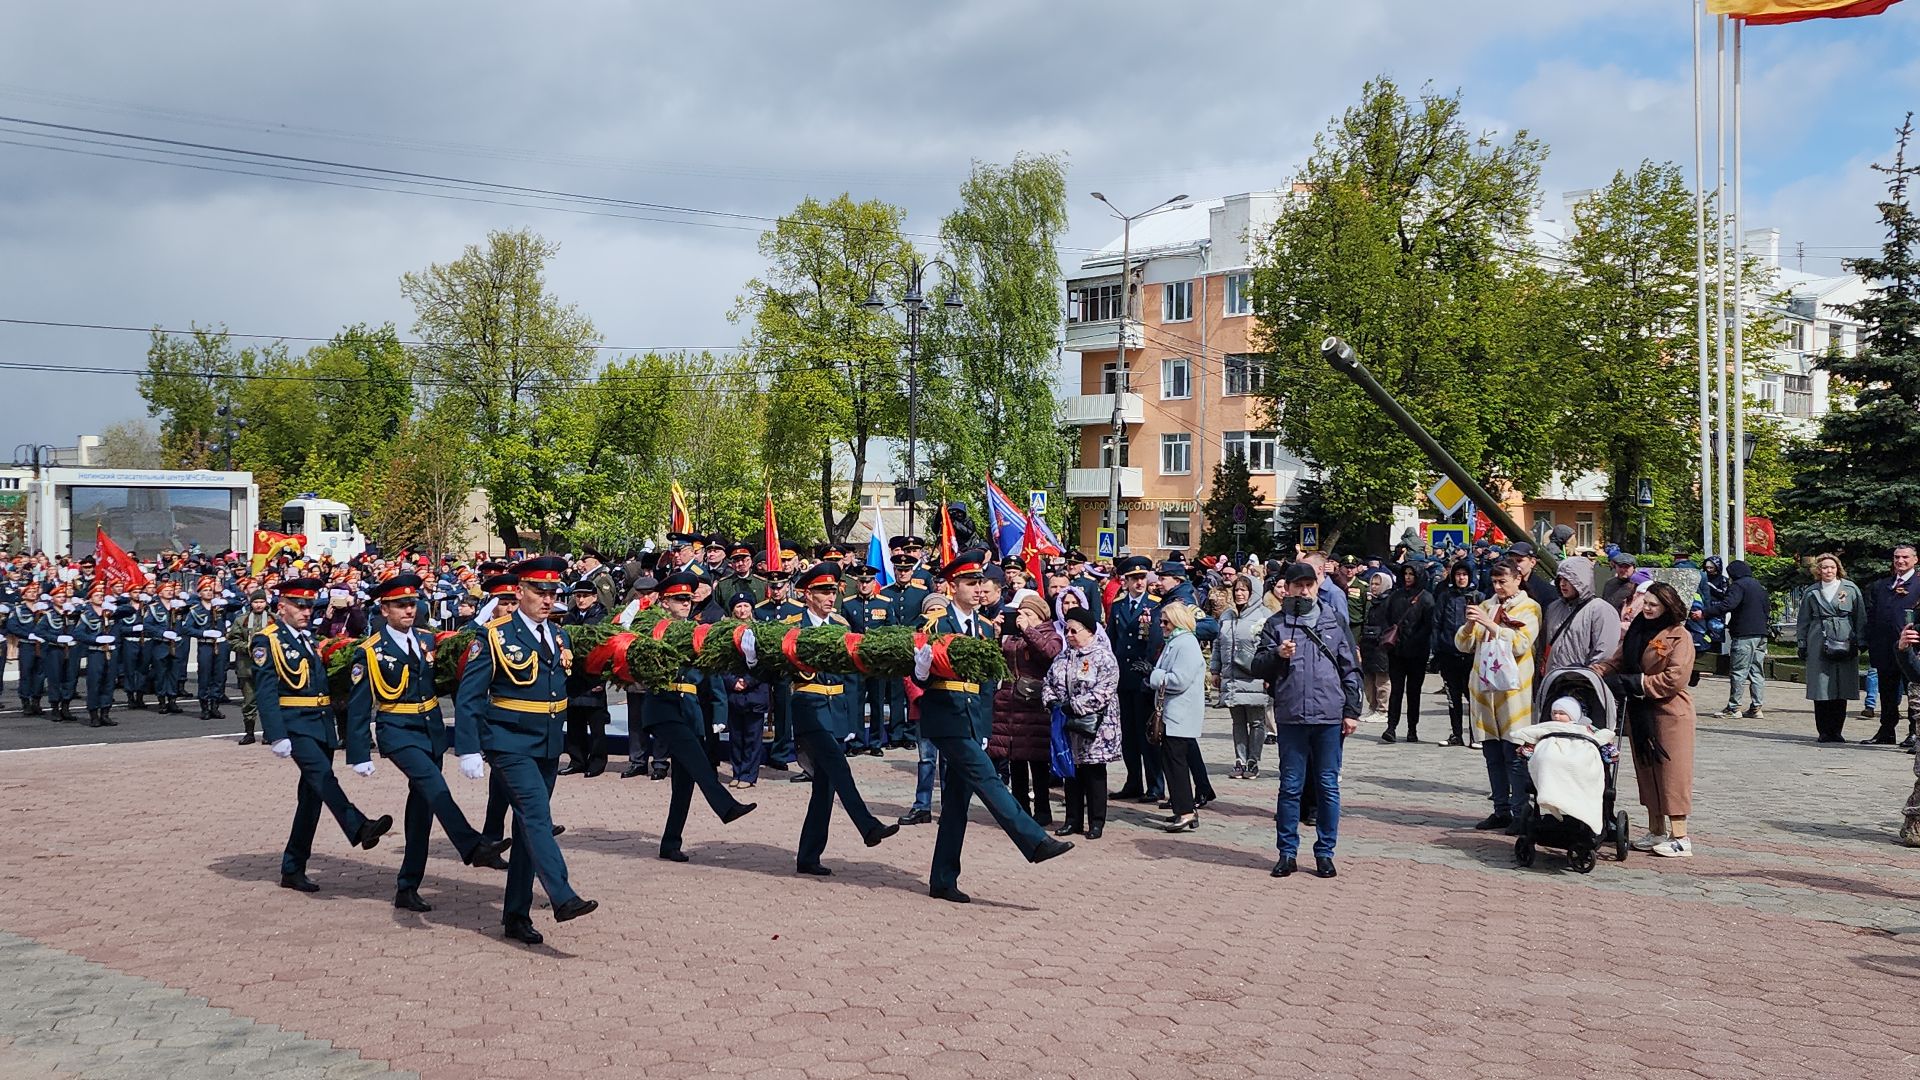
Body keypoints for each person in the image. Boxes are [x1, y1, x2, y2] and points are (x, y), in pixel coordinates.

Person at [453, 556, 598, 944]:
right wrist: (467, 747)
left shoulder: (560, 636)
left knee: (525, 828)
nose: (547, 599)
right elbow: (469, 697)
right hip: (509, 742)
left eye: (553, 592)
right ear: (519, 592)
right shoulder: (495, 636)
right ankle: (562, 896)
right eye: (539, 591)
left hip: (548, 743)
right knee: (536, 815)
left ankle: (516, 915)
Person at [913, 550, 1073, 903]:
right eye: (970, 583)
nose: (978, 589)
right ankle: (1034, 841)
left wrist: (986, 727)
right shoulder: (935, 624)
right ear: (953, 586)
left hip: (972, 720)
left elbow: (988, 682)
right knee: (988, 778)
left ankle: (943, 878)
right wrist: (921, 669)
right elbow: (917, 676)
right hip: (946, 717)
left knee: (956, 802)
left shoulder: (985, 628)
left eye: (981, 583)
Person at [348, 575, 512, 912]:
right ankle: (471, 846)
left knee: (421, 812)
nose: (409, 610)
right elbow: (359, 704)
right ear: (385, 609)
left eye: (412, 603)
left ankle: (408, 886)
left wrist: (480, 622)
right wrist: (359, 751)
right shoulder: (370, 651)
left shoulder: (426, 639)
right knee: (436, 787)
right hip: (398, 731)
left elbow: (464, 648)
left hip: (431, 730)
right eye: (400, 605)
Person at [255, 577, 393, 894]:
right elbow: (265, 690)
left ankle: (293, 867)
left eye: (309, 605)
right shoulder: (268, 641)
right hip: (294, 725)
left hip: (320, 723)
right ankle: (359, 826)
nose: (306, 611)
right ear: (282, 607)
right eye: (299, 605)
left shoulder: (307, 639)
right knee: (323, 778)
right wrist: (276, 734)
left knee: (312, 797)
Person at [773, 562, 896, 875]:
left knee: (825, 788)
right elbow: (780, 670)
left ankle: (808, 856)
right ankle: (867, 825)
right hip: (809, 707)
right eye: (824, 591)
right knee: (839, 767)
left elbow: (852, 680)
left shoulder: (840, 627)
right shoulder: (792, 626)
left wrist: (853, 722)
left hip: (836, 711)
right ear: (807, 594)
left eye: (834, 590)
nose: (831, 596)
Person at [638, 571, 758, 863]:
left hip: (689, 708)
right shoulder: (653, 626)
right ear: (664, 602)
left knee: (684, 781)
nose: (685, 604)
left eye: (688, 599)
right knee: (698, 761)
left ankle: (670, 843)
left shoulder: (697, 632)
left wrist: (718, 712)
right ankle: (725, 805)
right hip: (663, 705)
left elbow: (711, 677)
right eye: (679, 599)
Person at [1253, 562, 1363, 878]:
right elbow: (1257, 665)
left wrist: (1352, 711)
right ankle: (1287, 853)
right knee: (1290, 787)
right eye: (1297, 585)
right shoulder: (1276, 624)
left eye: (1309, 584)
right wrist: (1278, 655)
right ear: (1286, 588)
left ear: (1317, 586)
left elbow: (1350, 669)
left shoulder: (1334, 619)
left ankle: (1325, 853)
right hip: (1292, 716)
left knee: (1328, 786)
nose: (1304, 590)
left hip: (1329, 716)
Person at [1593, 581, 1698, 858]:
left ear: (1667, 606)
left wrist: (1638, 682)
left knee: (1672, 774)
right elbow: (1618, 661)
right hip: (1640, 713)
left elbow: (1675, 678)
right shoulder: (1637, 631)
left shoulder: (1679, 636)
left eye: (1654, 605)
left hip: (1670, 713)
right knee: (1647, 771)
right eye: (1646, 603)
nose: (1648, 609)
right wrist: (1597, 671)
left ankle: (1680, 836)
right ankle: (1656, 829)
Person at [1454, 559, 1542, 831]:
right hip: (1485, 691)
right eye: (1494, 582)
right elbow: (1462, 644)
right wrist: (1470, 625)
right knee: (1492, 754)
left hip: (1514, 692)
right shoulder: (1486, 606)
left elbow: (1521, 643)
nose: (1498, 587)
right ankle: (1500, 809)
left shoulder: (1530, 608)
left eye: (1503, 581)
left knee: (1514, 755)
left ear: (1518, 579)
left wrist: (1491, 625)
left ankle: (1520, 812)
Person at [1044, 606, 1120, 839]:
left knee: (1094, 773)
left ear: (1089, 631)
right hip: (1068, 726)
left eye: (1074, 631)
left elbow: (1104, 691)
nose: (1069, 635)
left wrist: (1074, 705)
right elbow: (1048, 681)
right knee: (1071, 773)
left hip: (1096, 726)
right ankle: (1072, 820)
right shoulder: (1064, 656)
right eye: (1067, 630)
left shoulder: (1103, 657)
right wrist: (1051, 701)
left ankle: (1096, 822)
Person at [989, 593, 1063, 826]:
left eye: (1029, 614)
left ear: (1040, 616)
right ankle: (1020, 809)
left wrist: (1029, 631)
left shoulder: (1050, 634)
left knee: (1038, 761)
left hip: (1034, 704)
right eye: (1022, 613)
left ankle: (1043, 809)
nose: (1024, 618)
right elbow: (996, 660)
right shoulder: (1014, 635)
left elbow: (1049, 654)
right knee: (1015, 759)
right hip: (1009, 703)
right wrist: (997, 635)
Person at [1107, 556, 1164, 803]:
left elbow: (1159, 641)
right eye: (1134, 579)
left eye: (1143, 578)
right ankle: (1133, 782)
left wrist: (1151, 669)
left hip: (1144, 677)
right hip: (1124, 677)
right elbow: (1112, 639)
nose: (1140, 583)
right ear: (1125, 581)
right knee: (1128, 734)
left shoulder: (1155, 604)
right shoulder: (1119, 606)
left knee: (1147, 734)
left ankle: (1155, 785)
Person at [1150, 601, 1208, 833]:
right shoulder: (1175, 642)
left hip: (1180, 714)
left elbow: (1179, 680)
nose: (1162, 626)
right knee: (1171, 763)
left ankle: (1185, 811)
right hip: (1174, 713)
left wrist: (1154, 675)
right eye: (1161, 621)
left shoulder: (1185, 643)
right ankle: (1182, 809)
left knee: (1176, 765)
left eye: (1166, 622)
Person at [1796, 552, 1867, 743]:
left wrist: (1861, 641)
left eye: (1832, 567)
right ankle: (1824, 731)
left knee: (1841, 685)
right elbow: (1803, 619)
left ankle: (1837, 730)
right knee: (1821, 686)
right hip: (1818, 637)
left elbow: (1860, 616)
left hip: (1845, 636)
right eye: (1824, 567)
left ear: (1838, 569)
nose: (1828, 570)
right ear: (1818, 570)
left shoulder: (1850, 589)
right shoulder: (1812, 592)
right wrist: (1802, 643)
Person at [1212, 575, 1272, 778]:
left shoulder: (1264, 615)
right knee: (1237, 721)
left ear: (1252, 593)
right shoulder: (1227, 616)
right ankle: (1240, 758)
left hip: (1254, 677)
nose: (1239, 593)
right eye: (1236, 590)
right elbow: (1218, 644)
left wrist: (1268, 673)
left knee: (1256, 721)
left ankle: (1253, 759)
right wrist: (1215, 669)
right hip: (1231, 676)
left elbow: (1270, 648)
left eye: (1244, 590)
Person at [1538, 556, 1621, 697]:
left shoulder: (1600, 610)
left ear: (1580, 580)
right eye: (1560, 580)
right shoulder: (1554, 608)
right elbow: (1544, 642)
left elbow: (1605, 652)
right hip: (1553, 682)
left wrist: (1587, 678)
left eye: (1568, 580)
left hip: (1583, 685)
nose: (1563, 584)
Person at [1862, 544, 1919, 745]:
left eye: (1905, 557)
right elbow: (1873, 616)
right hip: (1885, 648)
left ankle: (1914, 732)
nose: (1900, 561)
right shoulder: (1882, 585)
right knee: (1886, 691)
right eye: (1896, 557)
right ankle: (1887, 730)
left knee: (1913, 690)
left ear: (1915, 560)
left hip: (1911, 650)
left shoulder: (1919, 585)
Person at [559, 581, 610, 777]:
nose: (581, 599)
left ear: (594, 597)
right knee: (574, 724)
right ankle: (577, 760)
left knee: (596, 725)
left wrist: (602, 680)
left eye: (585, 595)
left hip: (593, 677)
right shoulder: (570, 616)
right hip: (573, 678)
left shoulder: (601, 617)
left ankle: (597, 762)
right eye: (577, 595)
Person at [1712, 560, 1772, 721]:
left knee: (1739, 671)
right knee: (1757, 672)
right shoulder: (1759, 587)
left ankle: (1734, 707)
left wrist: (1706, 612)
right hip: (1761, 634)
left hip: (1744, 634)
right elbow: (1767, 609)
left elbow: (1728, 605)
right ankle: (1756, 707)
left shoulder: (1738, 586)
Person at [1382, 562, 1435, 743]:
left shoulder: (1426, 598)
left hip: (1417, 653)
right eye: (1405, 573)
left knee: (1414, 692)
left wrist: (1414, 640)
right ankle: (1391, 727)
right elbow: (1387, 618)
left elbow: (1428, 626)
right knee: (1395, 691)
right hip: (1397, 652)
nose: (1408, 577)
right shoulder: (1396, 596)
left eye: (1411, 574)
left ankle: (1412, 729)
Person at [1431, 561, 1480, 747]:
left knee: (1472, 697)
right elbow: (1436, 623)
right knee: (1453, 696)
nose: (1461, 578)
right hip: (1448, 653)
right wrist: (1436, 650)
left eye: (1464, 574)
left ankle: (1475, 735)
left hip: (1471, 656)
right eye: (1458, 574)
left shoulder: (1478, 597)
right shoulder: (1445, 597)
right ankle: (1456, 734)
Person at [724, 595, 770, 788]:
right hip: (734, 692)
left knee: (752, 736)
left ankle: (749, 775)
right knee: (736, 736)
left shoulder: (761, 630)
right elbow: (720, 661)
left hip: (755, 691)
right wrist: (732, 682)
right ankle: (737, 772)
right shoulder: (725, 631)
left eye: (746, 606)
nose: (742, 610)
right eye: (738, 606)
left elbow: (766, 662)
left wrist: (748, 681)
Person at [228, 589, 272, 744]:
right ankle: (249, 732)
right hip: (247, 666)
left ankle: (268, 733)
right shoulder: (242, 620)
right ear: (250, 603)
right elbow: (232, 640)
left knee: (268, 701)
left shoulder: (274, 619)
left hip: (269, 668)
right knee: (249, 701)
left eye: (261, 602)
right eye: (255, 602)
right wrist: (247, 647)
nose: (259, 605)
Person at [183, 579, 231, 721]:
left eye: (210, 590)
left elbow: (238, 604)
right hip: (205, 644)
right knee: (204, 676)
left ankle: (215, 706)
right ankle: (204, 707)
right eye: (205, 590)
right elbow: (187, 628)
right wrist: (203, 633)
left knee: (219, 675)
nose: (209, 592)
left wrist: (223, 598)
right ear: (199, 593)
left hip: (220, 644)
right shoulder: (195, 610)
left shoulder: (220, 606)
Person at [1357, 572, 1392, 720]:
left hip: (1382, 647)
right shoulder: (1372, 603)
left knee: (1381, 680)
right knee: (1368, 679)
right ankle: (1372, 707)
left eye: (1378, 584)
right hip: (1369, 645)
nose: (1374, 587)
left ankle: (1383, 710)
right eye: (1372, 584)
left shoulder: (1389, 603)